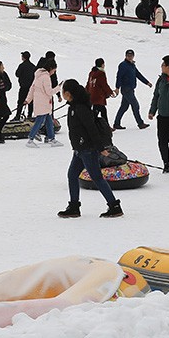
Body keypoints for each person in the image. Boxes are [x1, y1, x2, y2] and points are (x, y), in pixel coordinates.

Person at [58, 79, 123, 219]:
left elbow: (91, 128)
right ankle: (74, 206)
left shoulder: (81, 108)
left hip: (87, 149)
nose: (62, 94)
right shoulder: (74, 107)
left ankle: (114, 206)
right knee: (72, 175)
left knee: (97, 177)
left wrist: (100, 148)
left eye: (63, 91)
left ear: (68, 93)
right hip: (79, 150)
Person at [112, 50, 152, 130]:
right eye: (128, 55)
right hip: (126, 89)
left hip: (130, 89)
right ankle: (140, 123)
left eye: (131, 55)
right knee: (135, 105)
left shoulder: (132, 65)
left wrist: (146, 82)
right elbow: (119, 76)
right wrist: (117, 88)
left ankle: (116, 123)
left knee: (124, 107)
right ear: (125, 56)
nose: (130, 57)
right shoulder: (123, 65)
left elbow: (138, 74)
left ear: (133, 56)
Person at [24, 61, 61, 147]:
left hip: (40, 103)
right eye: (54, 70)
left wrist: (28, 100)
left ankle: (52, 138)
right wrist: (58, 87)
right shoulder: (46, 77)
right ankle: (30, 139)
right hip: (44, 103)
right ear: (51, 69)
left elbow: (32, 88)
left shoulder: (38, 75)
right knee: (39, 121)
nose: (54, 72)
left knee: (48, 120)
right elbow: (49, 92)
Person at [14, 51, 36, 120]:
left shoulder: (22, 65)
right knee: (30, 102)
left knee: (20, 102)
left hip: (23, 87)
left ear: (23, 57)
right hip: (31, 88)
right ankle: (29, 116)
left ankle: (18, 116)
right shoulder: (33, 66)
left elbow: (17, 74)